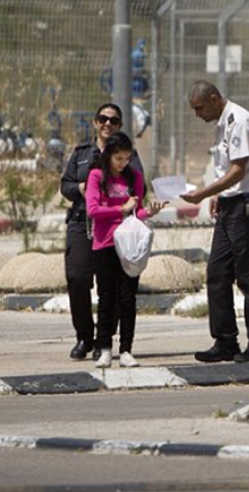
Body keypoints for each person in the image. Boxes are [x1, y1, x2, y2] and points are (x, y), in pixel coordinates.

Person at [181, 80, 249, 363]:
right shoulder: (223, 124)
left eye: (199, 108)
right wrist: (217, 195)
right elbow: (228, 172)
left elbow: (237, 171)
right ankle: (225, 341)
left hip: (246, 207)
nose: (198, 115)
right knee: (217, 273)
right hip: (230, 206)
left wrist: (204, 192)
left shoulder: (239, 121)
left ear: (213, 99)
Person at [60, 103, 145, 361]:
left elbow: (136, 191)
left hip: (115, 229)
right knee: (77, 277)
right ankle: (85, 336)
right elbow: (66, 185)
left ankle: (103, 340)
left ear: (119, 125)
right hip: (82, 221)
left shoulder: (129, 156)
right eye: (102, 119)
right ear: (95, 123)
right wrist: (81, 189)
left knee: (113, 288)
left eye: (113, 120)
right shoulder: (81, 153)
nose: (107, 123)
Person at [85, 132, 165, 368]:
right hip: (105, 243)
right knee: (106, 298)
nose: (123, 163)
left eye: (127, 158)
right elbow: (93, 209)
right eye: (119, 158)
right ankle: (105, 348)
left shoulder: (135, 177)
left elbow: (137, 212)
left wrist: (149, 212)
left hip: (129, 244)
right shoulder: (96, 176)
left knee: (128, 297)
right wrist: (120, 208)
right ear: (109, 155)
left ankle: (127, 349)